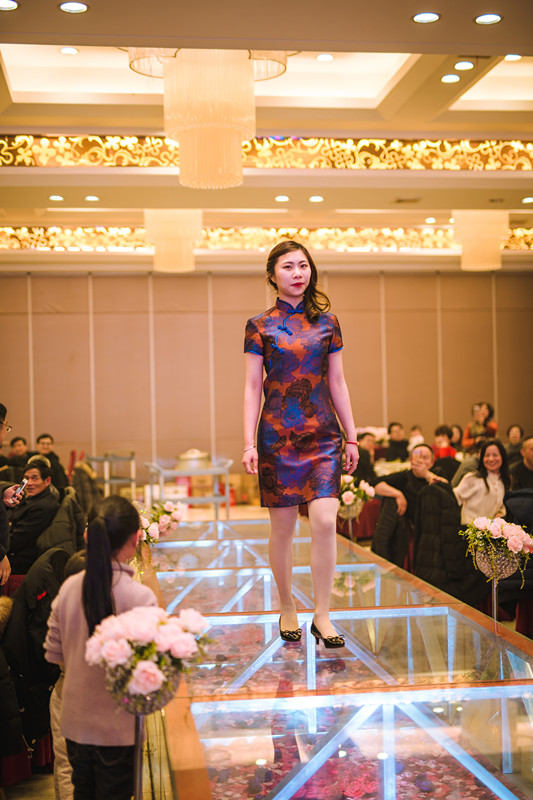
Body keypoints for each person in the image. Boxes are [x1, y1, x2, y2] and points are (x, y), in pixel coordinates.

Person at [242, 240, 358, 648]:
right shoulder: (259, 326)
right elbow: (252, 386)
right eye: (288, 266)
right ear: (272, 274)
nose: (297, 273)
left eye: (303, 265)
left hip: (324, 435)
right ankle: (288, 605)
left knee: (325, 521)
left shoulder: (329, 324)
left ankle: (323, 615)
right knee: (284, 529)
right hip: (276, 437)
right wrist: (248, 443)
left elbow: (337, 381)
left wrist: (352, 435)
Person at [44, 496, 157, 800]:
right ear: (136, 539)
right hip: (119, 728)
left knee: (83, 792)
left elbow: (54, 653)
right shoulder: (140, 597)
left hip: (75, 723)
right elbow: (150, 672)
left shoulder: (68, 588)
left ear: (87, 536)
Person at [7, 459, 60, 574]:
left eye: (35, 478)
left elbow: (15, 542)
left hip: (23, 562)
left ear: (47, 481)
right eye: (26, 478)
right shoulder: (31, 498)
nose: (29, 483)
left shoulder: (42, 507)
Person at [373, 443, 447, 523]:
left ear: (432, 462)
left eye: (425, 457)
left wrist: (426, 474)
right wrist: (398, 494)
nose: (421, 461)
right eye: (417, 458)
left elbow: (447, 490)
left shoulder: (438, 473)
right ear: (411, 461)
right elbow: (375, 482)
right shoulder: (405, 476)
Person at [453, 438, 510, 525]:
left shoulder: (503, 480)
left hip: (491, 530)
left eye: (495, 455)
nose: (491, 459)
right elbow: (454, 498)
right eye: (487, 455)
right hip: (469, 528)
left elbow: (502, 507)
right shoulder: (473, 478)